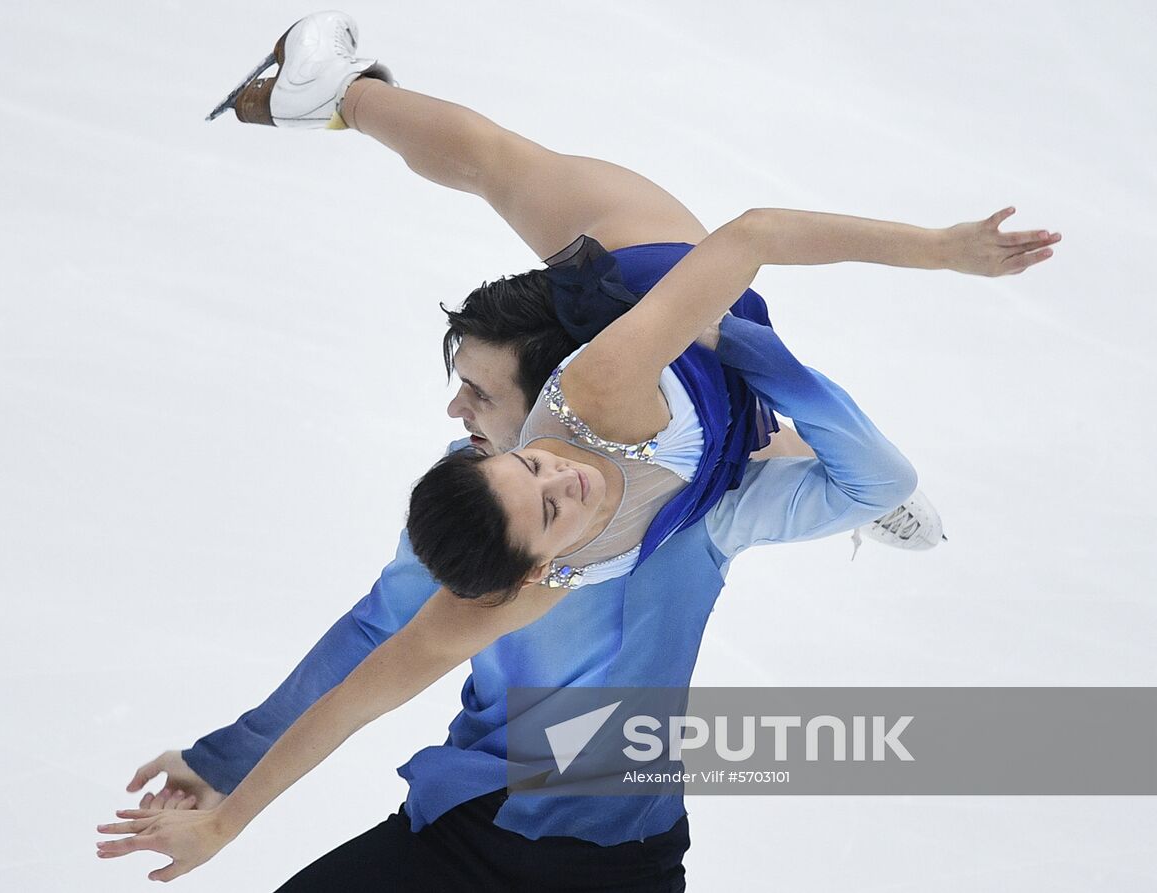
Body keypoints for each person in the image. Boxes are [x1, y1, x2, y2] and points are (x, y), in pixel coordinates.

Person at [95, 11, 1060, 888]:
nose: (545, 468)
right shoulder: (517, 575)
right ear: (533, 569)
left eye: (502, 430)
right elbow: (359, 688)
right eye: (545, 497)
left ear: (527, 427)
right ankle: (809, 458)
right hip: (696, 440)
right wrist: (225, 800)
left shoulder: (596, 391)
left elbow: (756, 233)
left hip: (663, 288)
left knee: (501, 165)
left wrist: (941, 250)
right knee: (752, 461)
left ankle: (341, 92)